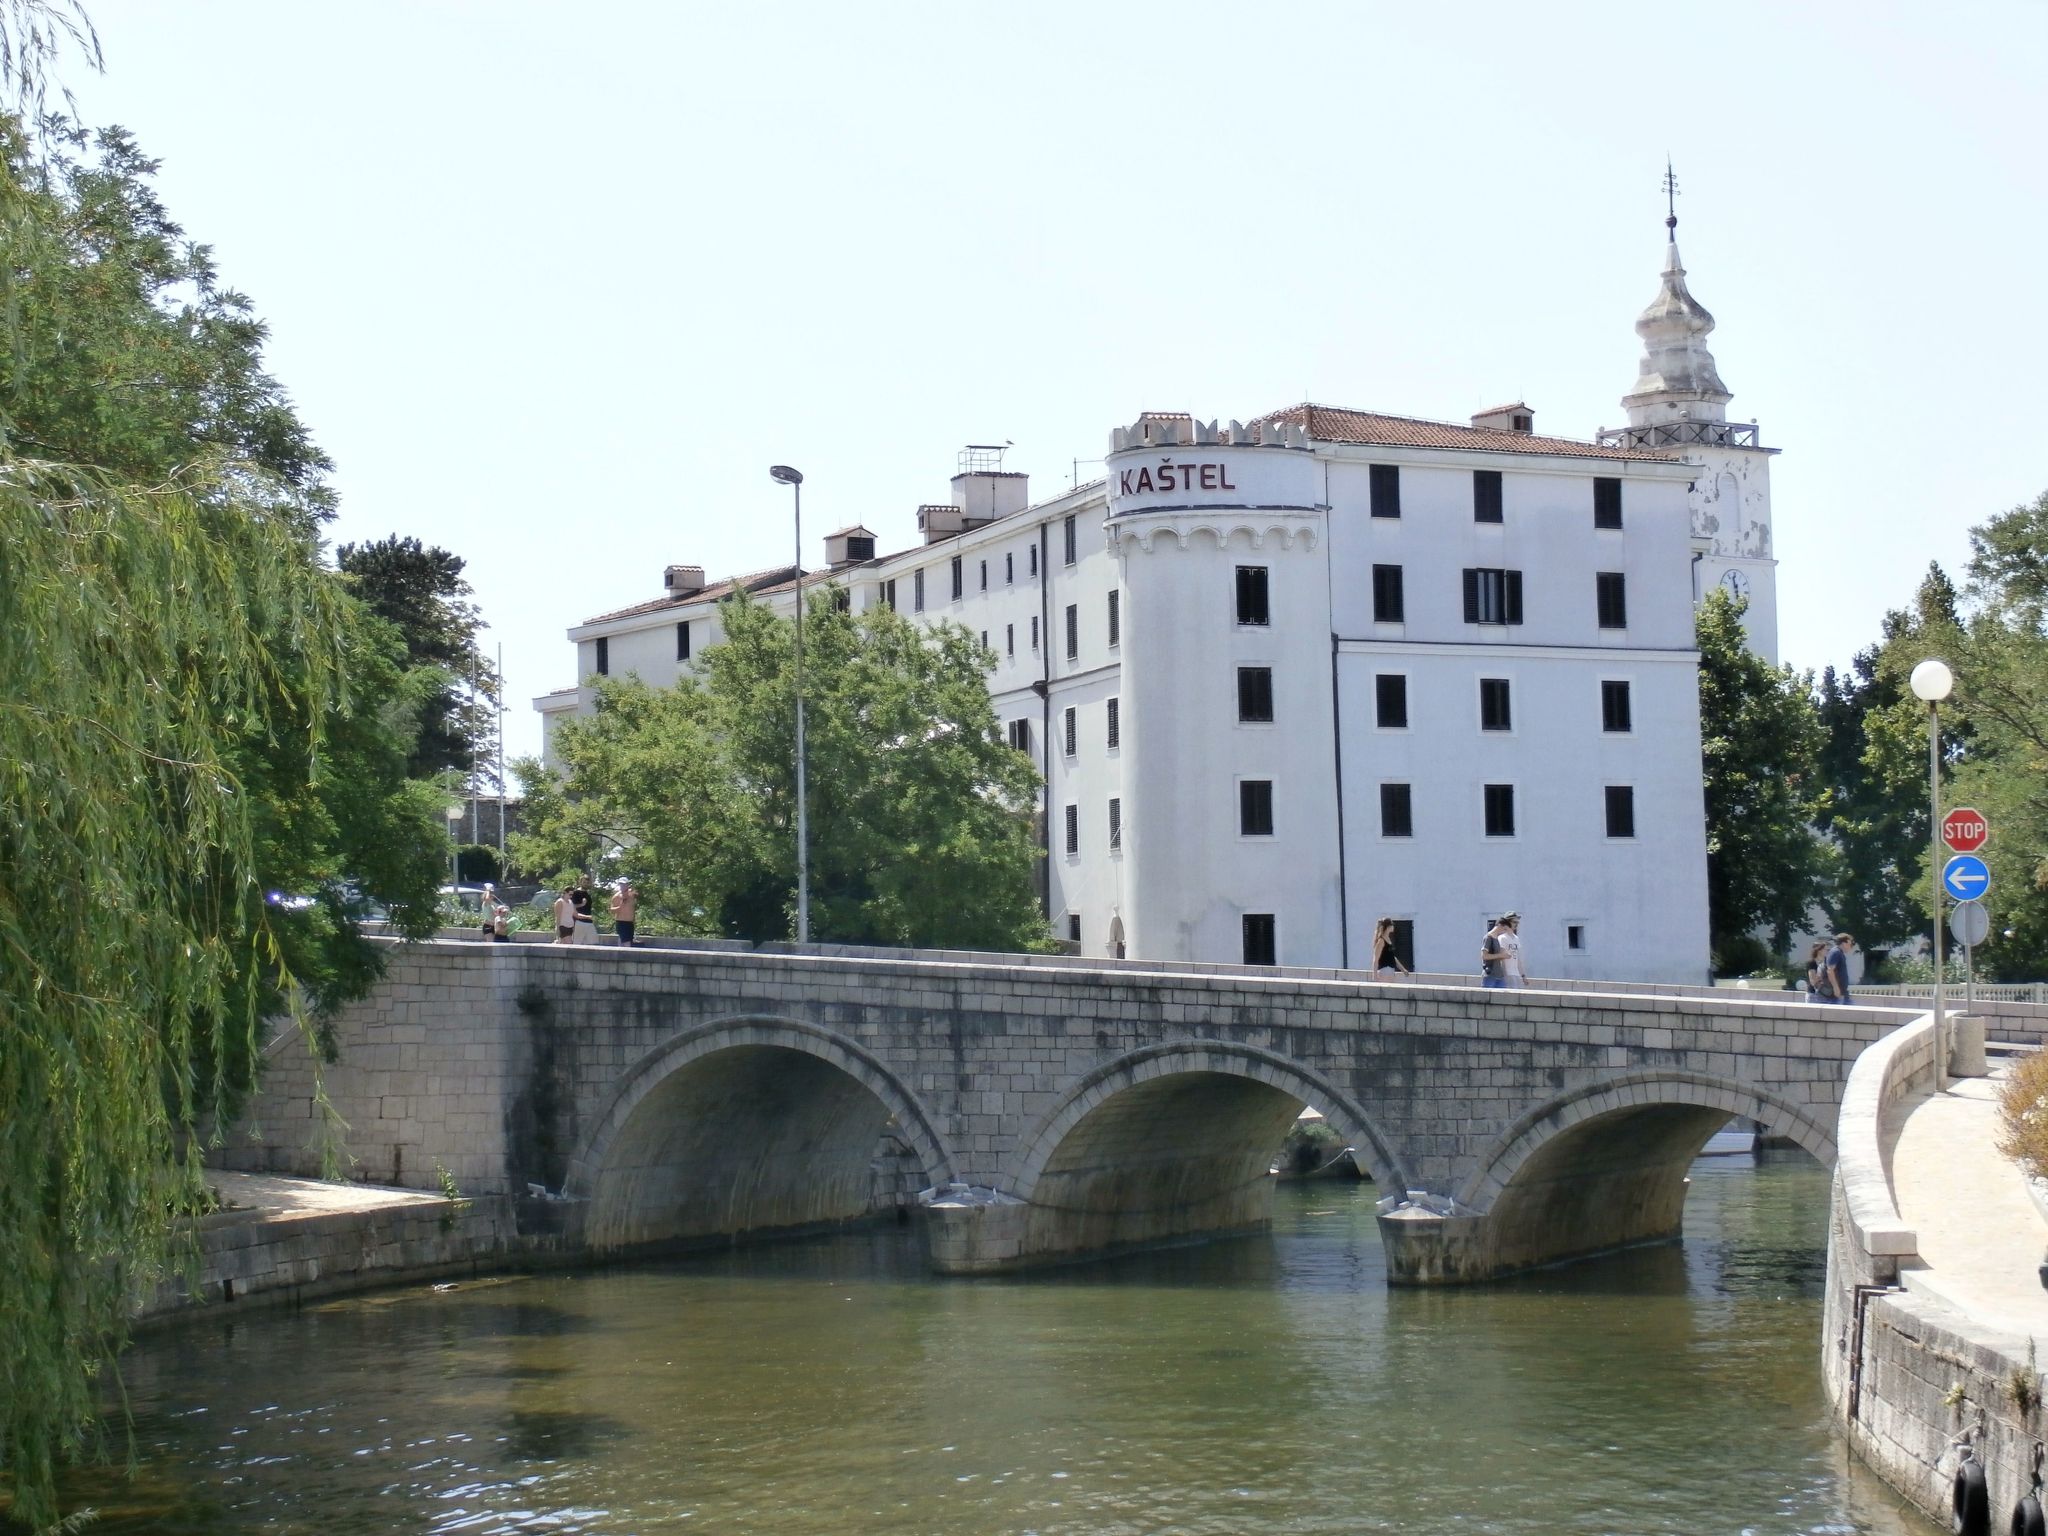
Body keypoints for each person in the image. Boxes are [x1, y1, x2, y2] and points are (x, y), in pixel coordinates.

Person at [1497, 911, 1530, 987]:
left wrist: (1523, 975)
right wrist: (1504, 975)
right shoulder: (1502, 938)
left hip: (1516, 974)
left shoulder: (1516, 938)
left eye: (1517, 922)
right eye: (1514, 922)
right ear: (1508, 922)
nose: (1516, 924)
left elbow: (1518, 959)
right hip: (1507, 974)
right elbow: (1502, 958)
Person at [1480, 917, 1512, 988]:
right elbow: (1484, 956)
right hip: (1490, 976)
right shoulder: (1488, 938)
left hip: (1500, 975)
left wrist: (1504, 956)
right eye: (1504, 929)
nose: (1504, 932)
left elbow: (1496, 956)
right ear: (1500, 925)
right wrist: (1501, 955)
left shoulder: (1496, 938)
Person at [1826, 932, 1856, 1004]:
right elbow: (1830, 970)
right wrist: (1836, 987)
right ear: (1844, 943)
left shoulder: (1839, 952)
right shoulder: (1836, 952)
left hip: (1841, 992)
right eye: (1850, 944)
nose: (1851, 947)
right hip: (1837, 993)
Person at [570, 874, 596, 945]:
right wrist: (582, 904)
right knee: (577, 944)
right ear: (580, 882)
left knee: (592, 943)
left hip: (589, 921)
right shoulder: (576, 893)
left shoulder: (587, 894)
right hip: (579, 921)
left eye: (587, 883)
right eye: (584, 882)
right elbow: (572, 906)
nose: (585, 884)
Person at [611, 878, 638, 946]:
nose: (623, 886)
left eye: (625, 884)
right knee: (626, 943)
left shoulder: (632, 895)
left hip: (630, 923)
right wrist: (620, 907)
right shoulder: (616, 897)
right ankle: (627, 955)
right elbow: (612, 910)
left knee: (625, 942)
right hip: (621, 922)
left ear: (628, 884)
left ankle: (620, 955)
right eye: (621, 884)